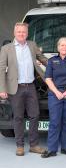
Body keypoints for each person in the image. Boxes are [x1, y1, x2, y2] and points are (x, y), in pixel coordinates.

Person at [0, 22, 47, 156]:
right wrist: (2, 89)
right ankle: (20, 146)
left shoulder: (32, 45)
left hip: (31, 86)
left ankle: (34, 145)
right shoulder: (6, 49)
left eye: (24, 32)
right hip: (15, 88)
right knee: (18, 117)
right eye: (19, 32)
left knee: (35, 115)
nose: (22, 34)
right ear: (15, 33)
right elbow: (1, 69)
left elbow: (42, 59)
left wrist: (56, 64)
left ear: (27, 33)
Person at [41, 37, 66, 158]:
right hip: (55, 95)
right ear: (58, 47)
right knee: (54, 122)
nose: (64, 47)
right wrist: (57, 92)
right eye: (62, 45)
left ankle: (65, 148)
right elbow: (48, 79)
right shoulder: (52, 61)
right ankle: (52, 149)